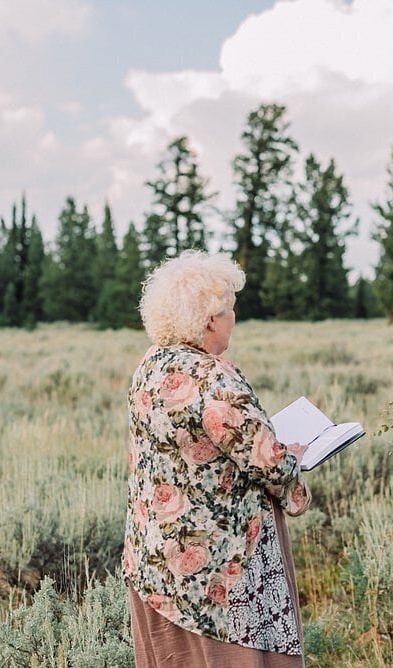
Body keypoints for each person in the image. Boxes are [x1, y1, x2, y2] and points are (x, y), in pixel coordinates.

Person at [123, 250, 311, 667]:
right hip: (222, 565)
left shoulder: (150, 365)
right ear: (210, 319)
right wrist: (294, 462)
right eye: (230, 310)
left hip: (155, 556)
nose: (233, 319)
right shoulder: (214, 375)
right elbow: (267, 461)